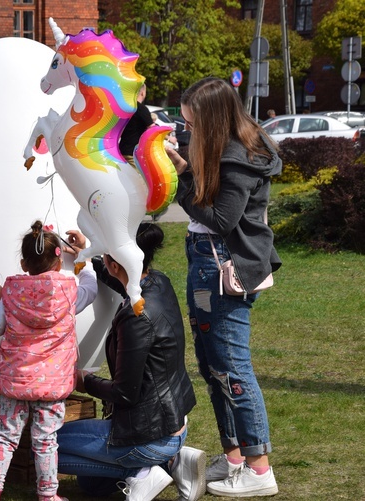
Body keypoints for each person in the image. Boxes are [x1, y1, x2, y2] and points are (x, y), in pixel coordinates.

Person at [166, 77, 282, 498]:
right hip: (206, 266)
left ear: (213, 121)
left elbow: (220, 219)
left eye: (193, 125)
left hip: (220, 269)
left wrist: (182, 178)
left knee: (232, 368)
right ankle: (234, 458)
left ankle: (258, 467)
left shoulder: (239, 158)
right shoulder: (228, 149)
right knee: (213, 367)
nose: (188, 132)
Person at [55, 223, 205, 501]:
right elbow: (120, 279)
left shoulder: (137, 318)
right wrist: (86, 256)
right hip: (171, 424)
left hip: (148, 433)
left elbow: (125, 392)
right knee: (91, 486)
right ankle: (168, 464)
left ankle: (148, 469)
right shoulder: (157, 282)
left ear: (114, 263)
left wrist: (83, 380)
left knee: (42, 447)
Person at [0, 221, 98, 501]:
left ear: (23, 263)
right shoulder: (69, 292)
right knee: (46, 441)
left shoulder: (9, 293)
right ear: (58, 261)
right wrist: (84, 259)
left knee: (4, 437)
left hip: (15, 381)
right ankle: (48, 495)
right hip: (52, 384)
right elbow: (91, 289)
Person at [119, 84, 152, 165]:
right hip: (133, 153)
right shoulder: (141, 108)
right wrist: (169, 138)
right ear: (142, 93)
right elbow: (152, 128)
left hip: (121, 150)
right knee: (138, 177)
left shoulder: (126, 108)